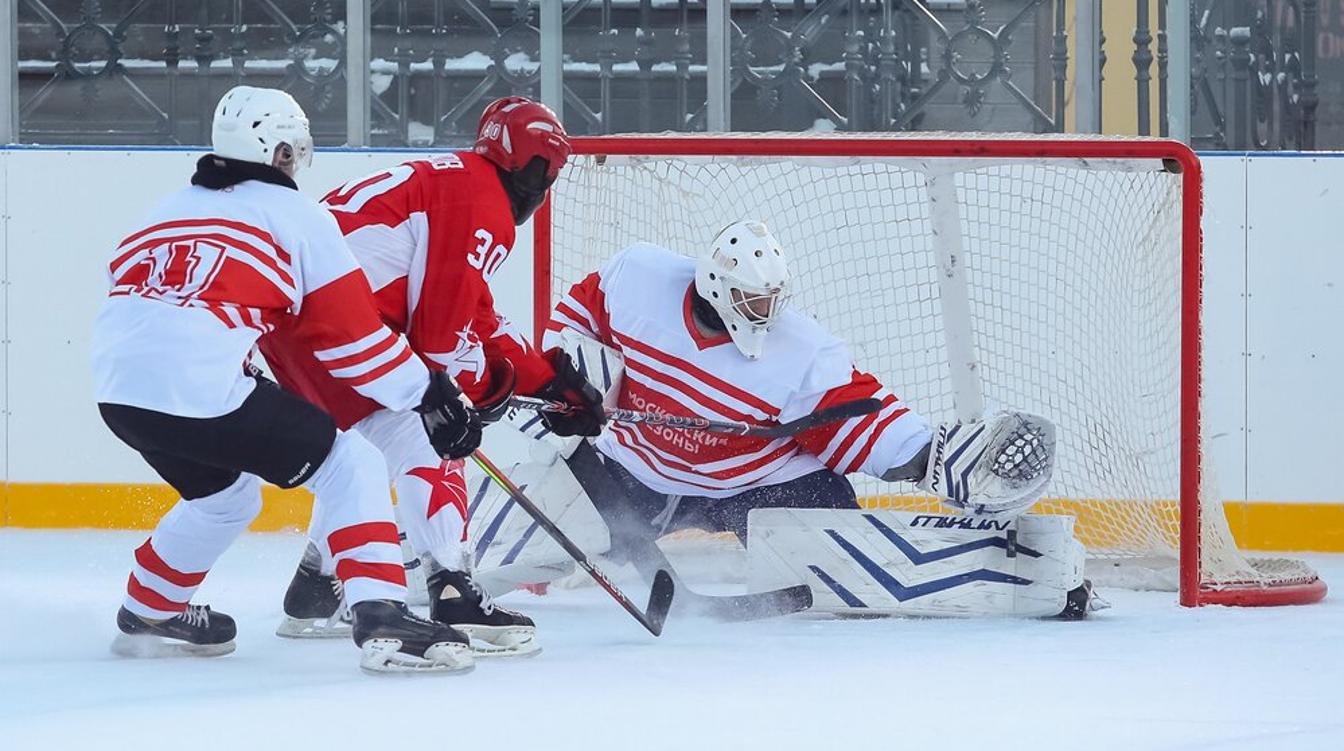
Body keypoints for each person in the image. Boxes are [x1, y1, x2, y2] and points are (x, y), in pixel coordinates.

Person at [92, 85, 483, 674]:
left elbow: (155, 303)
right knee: (353, 464)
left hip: (118, 390)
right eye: (293, 150)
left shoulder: (165, 208)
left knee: (223, 497)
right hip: (200, 389)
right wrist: (427, 392)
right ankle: (382, 618)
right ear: (277, 151)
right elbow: (354, 343)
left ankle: (151, 607)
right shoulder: (297, 215)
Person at [258, 96, 604, 656]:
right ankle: (452, 587)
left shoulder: (453, 181)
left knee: (365, 452)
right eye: (550, 174)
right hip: (333, 328)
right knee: (438, 427)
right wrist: (488, 385)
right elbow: (438, 343)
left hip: (294, 331)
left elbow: (477, 315)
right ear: (536, 168)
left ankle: (316, 588)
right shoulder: (481, 201)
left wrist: (548, 383)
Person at [541, 221, 1056, 569]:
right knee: (522, 540)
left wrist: (929, 458)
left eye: (771, 298)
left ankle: (1009, 566)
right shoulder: (639, 278)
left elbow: (861, 416)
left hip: (765, 486)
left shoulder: (801, 350)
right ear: (717, 286)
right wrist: (564, 388)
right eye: (751, 298)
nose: (765, 311)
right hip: (639, 471)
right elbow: (569, 329)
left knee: (860, 569)